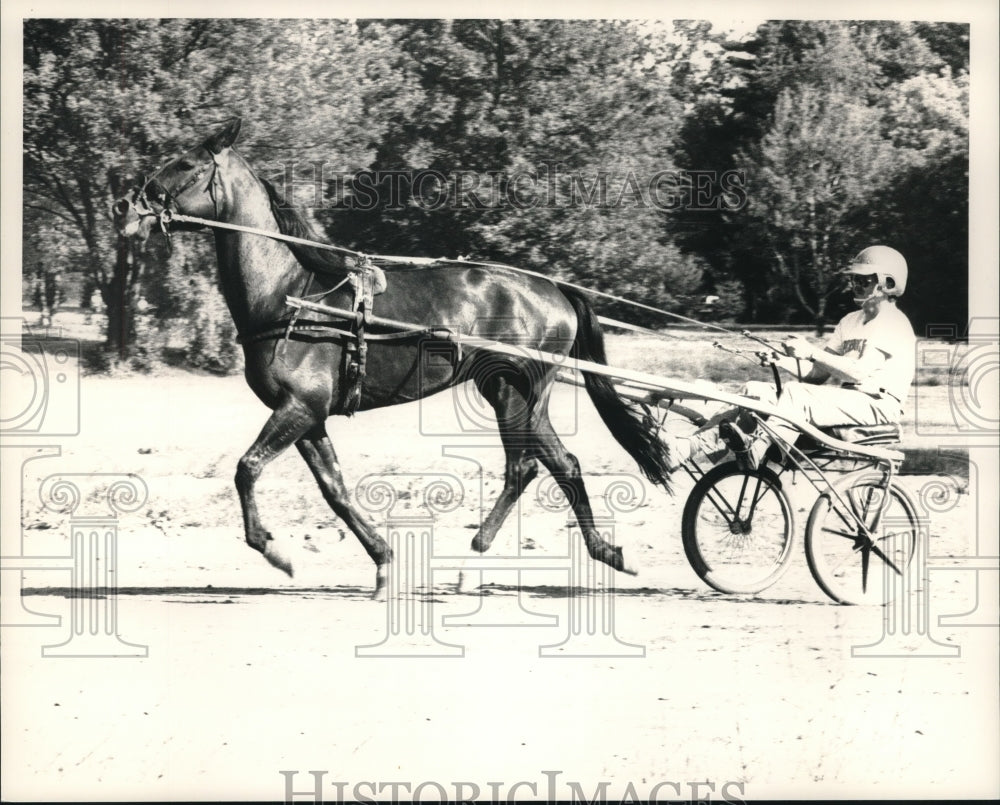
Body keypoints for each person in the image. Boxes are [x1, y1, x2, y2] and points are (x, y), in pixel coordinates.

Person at [667, 245, 916, 470]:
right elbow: (816, 376)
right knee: (754, 390)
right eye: (854, 278)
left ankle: (759, 450)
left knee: (797, 394)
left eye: (864, 279)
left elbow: (859, 372)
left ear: (888, 282)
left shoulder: (893, 322)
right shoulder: (849, 321)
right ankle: (688, 447)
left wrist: (810, 351)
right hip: (850, 400)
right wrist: (780, 359)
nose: (856, 284)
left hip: (878, 405)